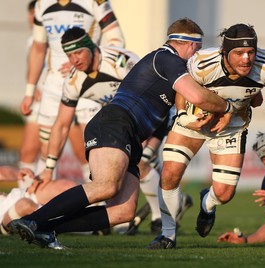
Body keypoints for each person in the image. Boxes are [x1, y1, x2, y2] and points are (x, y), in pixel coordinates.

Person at [7, 17, 234, 250]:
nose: (197, 56)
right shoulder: (167, 58)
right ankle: (33, 219)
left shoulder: (169, 66)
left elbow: (175, 111)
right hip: (114, 123)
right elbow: (197, 96)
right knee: (106, 186)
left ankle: (47, 229)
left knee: (123, 212)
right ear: (189, 44)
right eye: (197, 49)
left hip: (130, 136)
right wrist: (228, 107)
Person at [147, 23, 265, 249]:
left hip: (233, 124)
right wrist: (184, 115)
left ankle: (207, 204)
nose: (246, 59)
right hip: (195, 120)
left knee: (224, 194)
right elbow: (180, 90)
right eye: (239, 53)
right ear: (225, 53)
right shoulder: (203, 64)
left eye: (250, 52)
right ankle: (167, 235)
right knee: (170, 174)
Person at [19, 0, 125, 179]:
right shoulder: (41, 5)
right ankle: (40, 204)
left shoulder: (95, 2)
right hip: (53, 86)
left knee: (92, 148)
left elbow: (117, 39)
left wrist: (84, 61)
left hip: (86, 80)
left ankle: (99, 203)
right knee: (47, 152)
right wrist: (29, 91)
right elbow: (38, 49)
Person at [37, 27, 139, 183]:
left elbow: (146, 91)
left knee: (143, 161)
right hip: (122, 119)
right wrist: (48, 168)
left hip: (150, 112)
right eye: (69, 55)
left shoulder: (120, 61)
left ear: (91, 47)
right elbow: (62, 125)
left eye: (78, 53)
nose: (74, 60)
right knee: (109, 166)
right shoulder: (73, 81)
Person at [0, 168, 77, 236]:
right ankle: (72, 224)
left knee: (66, 186)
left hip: (20, 195)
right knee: (24, 205)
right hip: (4, 220)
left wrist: (21, 173)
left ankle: (85, 214)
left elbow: (2, 172)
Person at [18, 0, 42, 189]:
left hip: (57, 99)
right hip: (37, 99)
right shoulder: (30, 39)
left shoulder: (51, 35)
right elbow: (31, 67)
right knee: (28, 150)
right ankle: (24, 193)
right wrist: (31, 91)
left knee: (50, 152)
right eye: (30, 13)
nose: (31, 17)